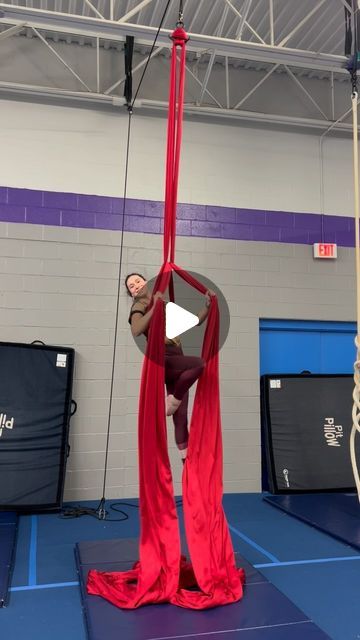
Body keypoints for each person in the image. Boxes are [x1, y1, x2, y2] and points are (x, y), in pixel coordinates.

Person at [125, 272, 214, 463]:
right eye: (131, 286)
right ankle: (173, 399)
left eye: (138, 281)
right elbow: (137, 329)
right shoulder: (138, 306)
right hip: (162, 360)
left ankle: (187, 463)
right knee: (199, 364)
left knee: (181, 419)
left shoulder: (165, 305)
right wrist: (154, 305)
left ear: (146, 282)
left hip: (177, 357)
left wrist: (207, 305)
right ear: (131, 294)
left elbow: (195, 321)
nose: (136, 286)